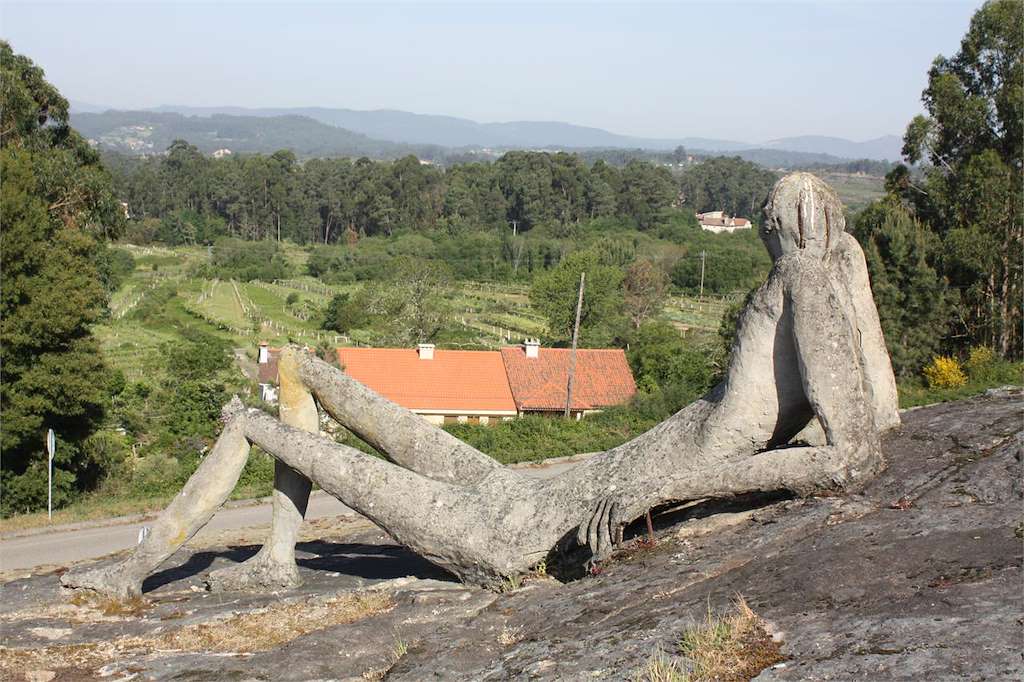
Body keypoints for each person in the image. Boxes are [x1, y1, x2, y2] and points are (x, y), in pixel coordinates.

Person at [62, 173, 899, 599]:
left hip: (519, 527)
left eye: (774, 217)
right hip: (541, 487)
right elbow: (882, 413)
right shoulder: (840, 273)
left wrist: (665, 492)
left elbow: (853, 456)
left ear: (789, 224)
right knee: (300, 370)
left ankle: (132, 572)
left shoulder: (808, 285)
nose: (771, 228)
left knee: (250, 421)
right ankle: (277, 556)